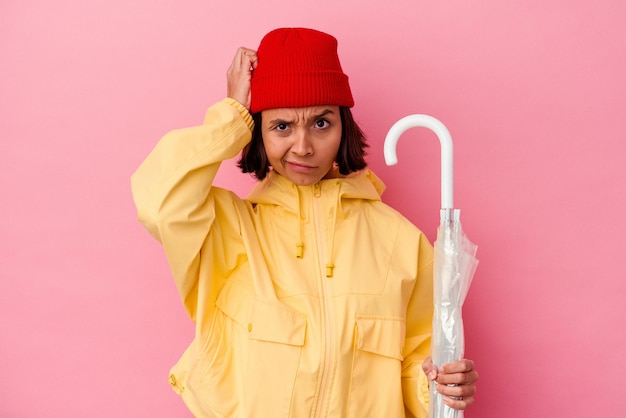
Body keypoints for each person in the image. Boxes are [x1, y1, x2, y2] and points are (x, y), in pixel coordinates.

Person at [131, 27, 478, 418]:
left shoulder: (402, 241)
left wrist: (439, 388)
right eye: (281, 126)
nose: (303, 146)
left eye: (321, 123)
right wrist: (232, 114)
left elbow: (417, 366)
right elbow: (159, 201)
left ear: (343, 125)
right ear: (257, 132)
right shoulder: (228, 230)